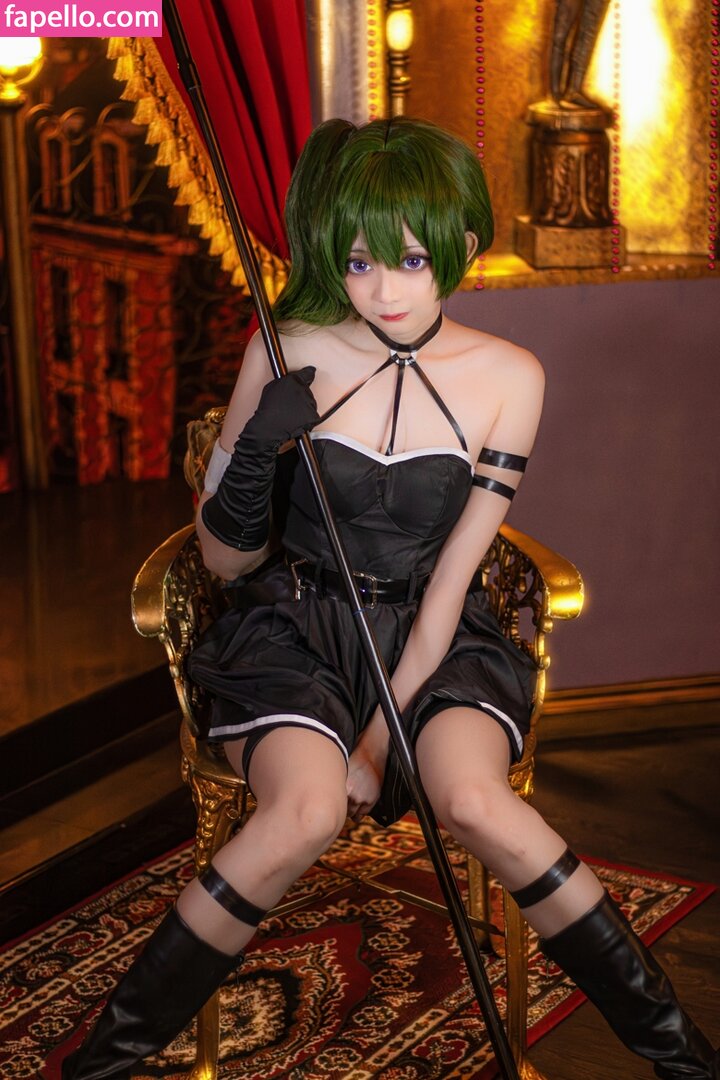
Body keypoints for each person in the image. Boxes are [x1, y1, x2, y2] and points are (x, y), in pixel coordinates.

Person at [62, 117, 718, 1080]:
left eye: (410, 260)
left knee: (477, 801)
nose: (383, 292)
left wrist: (379, 739)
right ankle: (100, 1067)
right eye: (359, 263)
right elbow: (225, 560)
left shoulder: (509, 378)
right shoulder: (284, 348)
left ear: (460, 243)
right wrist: (257, 447)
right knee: (302, 815)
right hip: (294, 630)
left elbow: (452, 581)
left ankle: (684, 1060)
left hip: (435, 638)